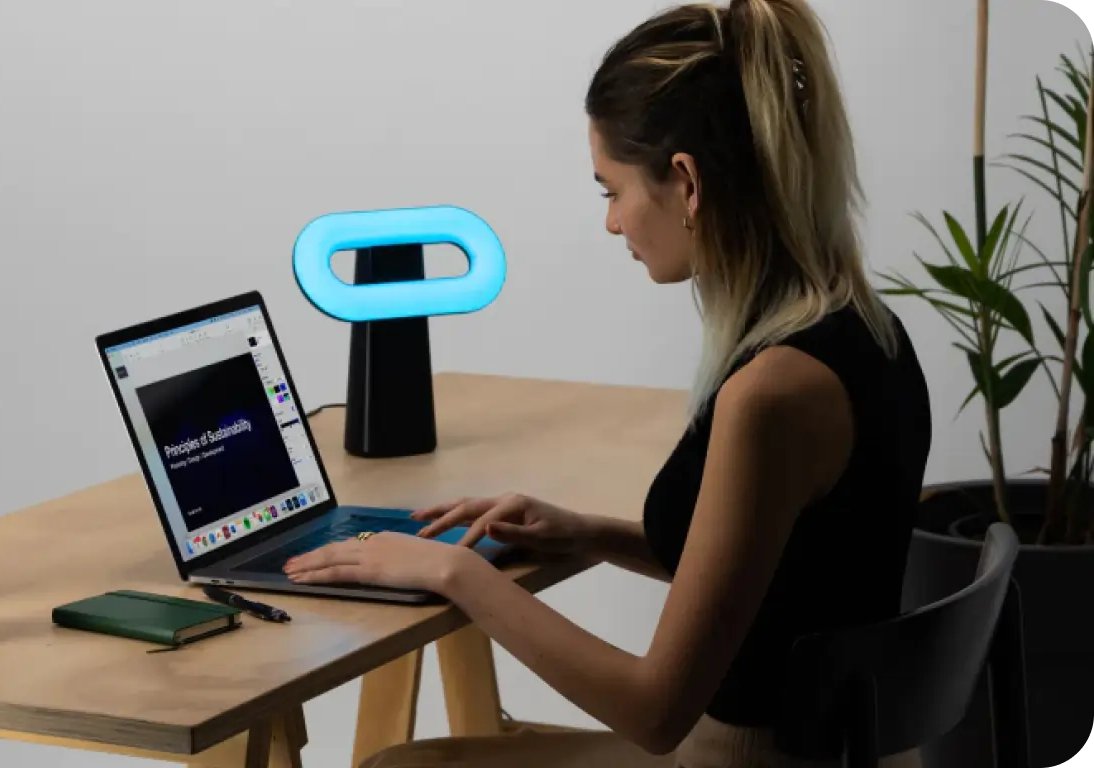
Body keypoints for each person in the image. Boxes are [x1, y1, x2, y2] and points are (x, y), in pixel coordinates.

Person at [283, 0, 932, 765]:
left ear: (685, 183)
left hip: (741, 755)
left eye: (611, 190)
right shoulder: (865, 332)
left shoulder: (772, 397)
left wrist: (454, 571)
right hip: (838, 749)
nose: (612, 223)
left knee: (398, 765)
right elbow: (777, 574)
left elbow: (654, 710)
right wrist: (588, 532)